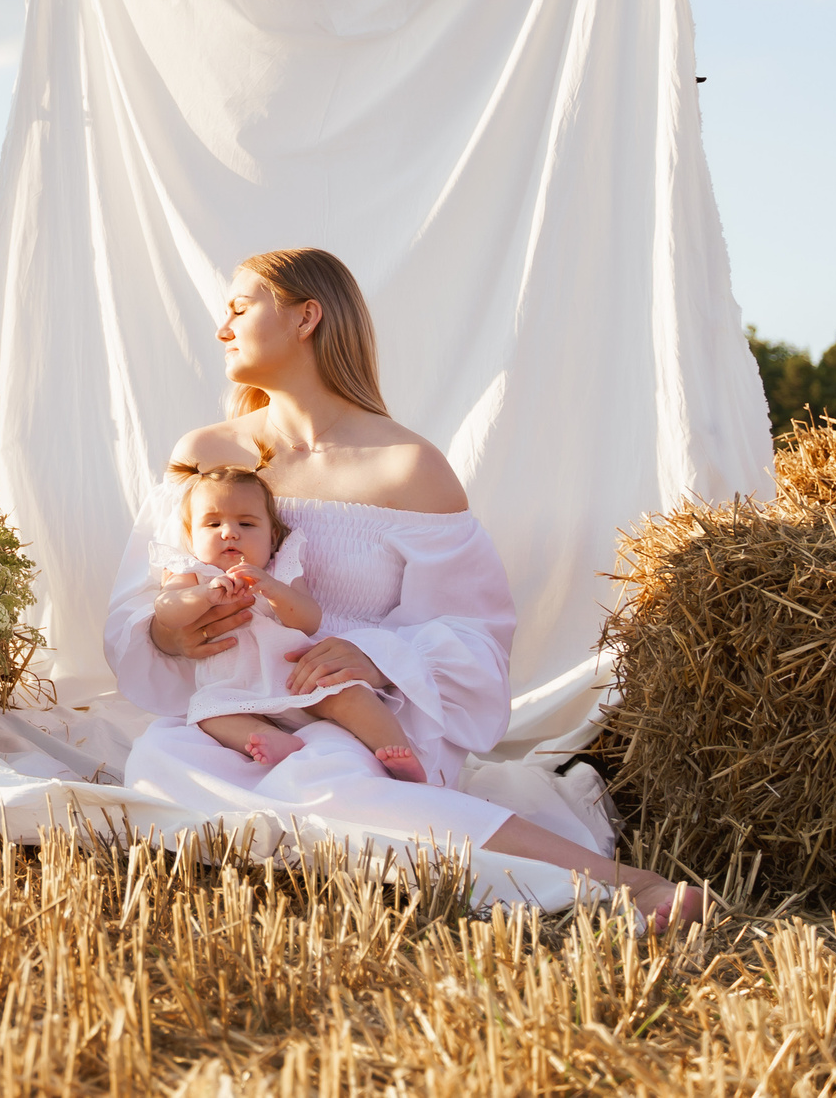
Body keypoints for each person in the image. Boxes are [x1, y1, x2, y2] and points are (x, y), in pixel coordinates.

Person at [103, 246, 705, 931]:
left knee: (322, 779)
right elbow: (141, 597)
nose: (223, 328)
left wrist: (372, 656)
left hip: (370, 716)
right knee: (159, 758)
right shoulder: (205, 453)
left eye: (240, 307)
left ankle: (625, 884)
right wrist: (168, 629)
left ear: (307, 316)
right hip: (239, 708)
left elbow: (477, 638)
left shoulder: (408, 467)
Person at [153, 455, 425, 781]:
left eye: (247, 524)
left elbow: (308, 620)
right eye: (213, 524)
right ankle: (269, 738)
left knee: (350, 694)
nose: (229, 533)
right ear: (191, 535)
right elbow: (167, 610)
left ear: (272, 538)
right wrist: (205, 596)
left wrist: (273, 590)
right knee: (207, 714)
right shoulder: (192, 572)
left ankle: (397, 751)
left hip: (297, 677)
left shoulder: (280, 570)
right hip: (234, 688)